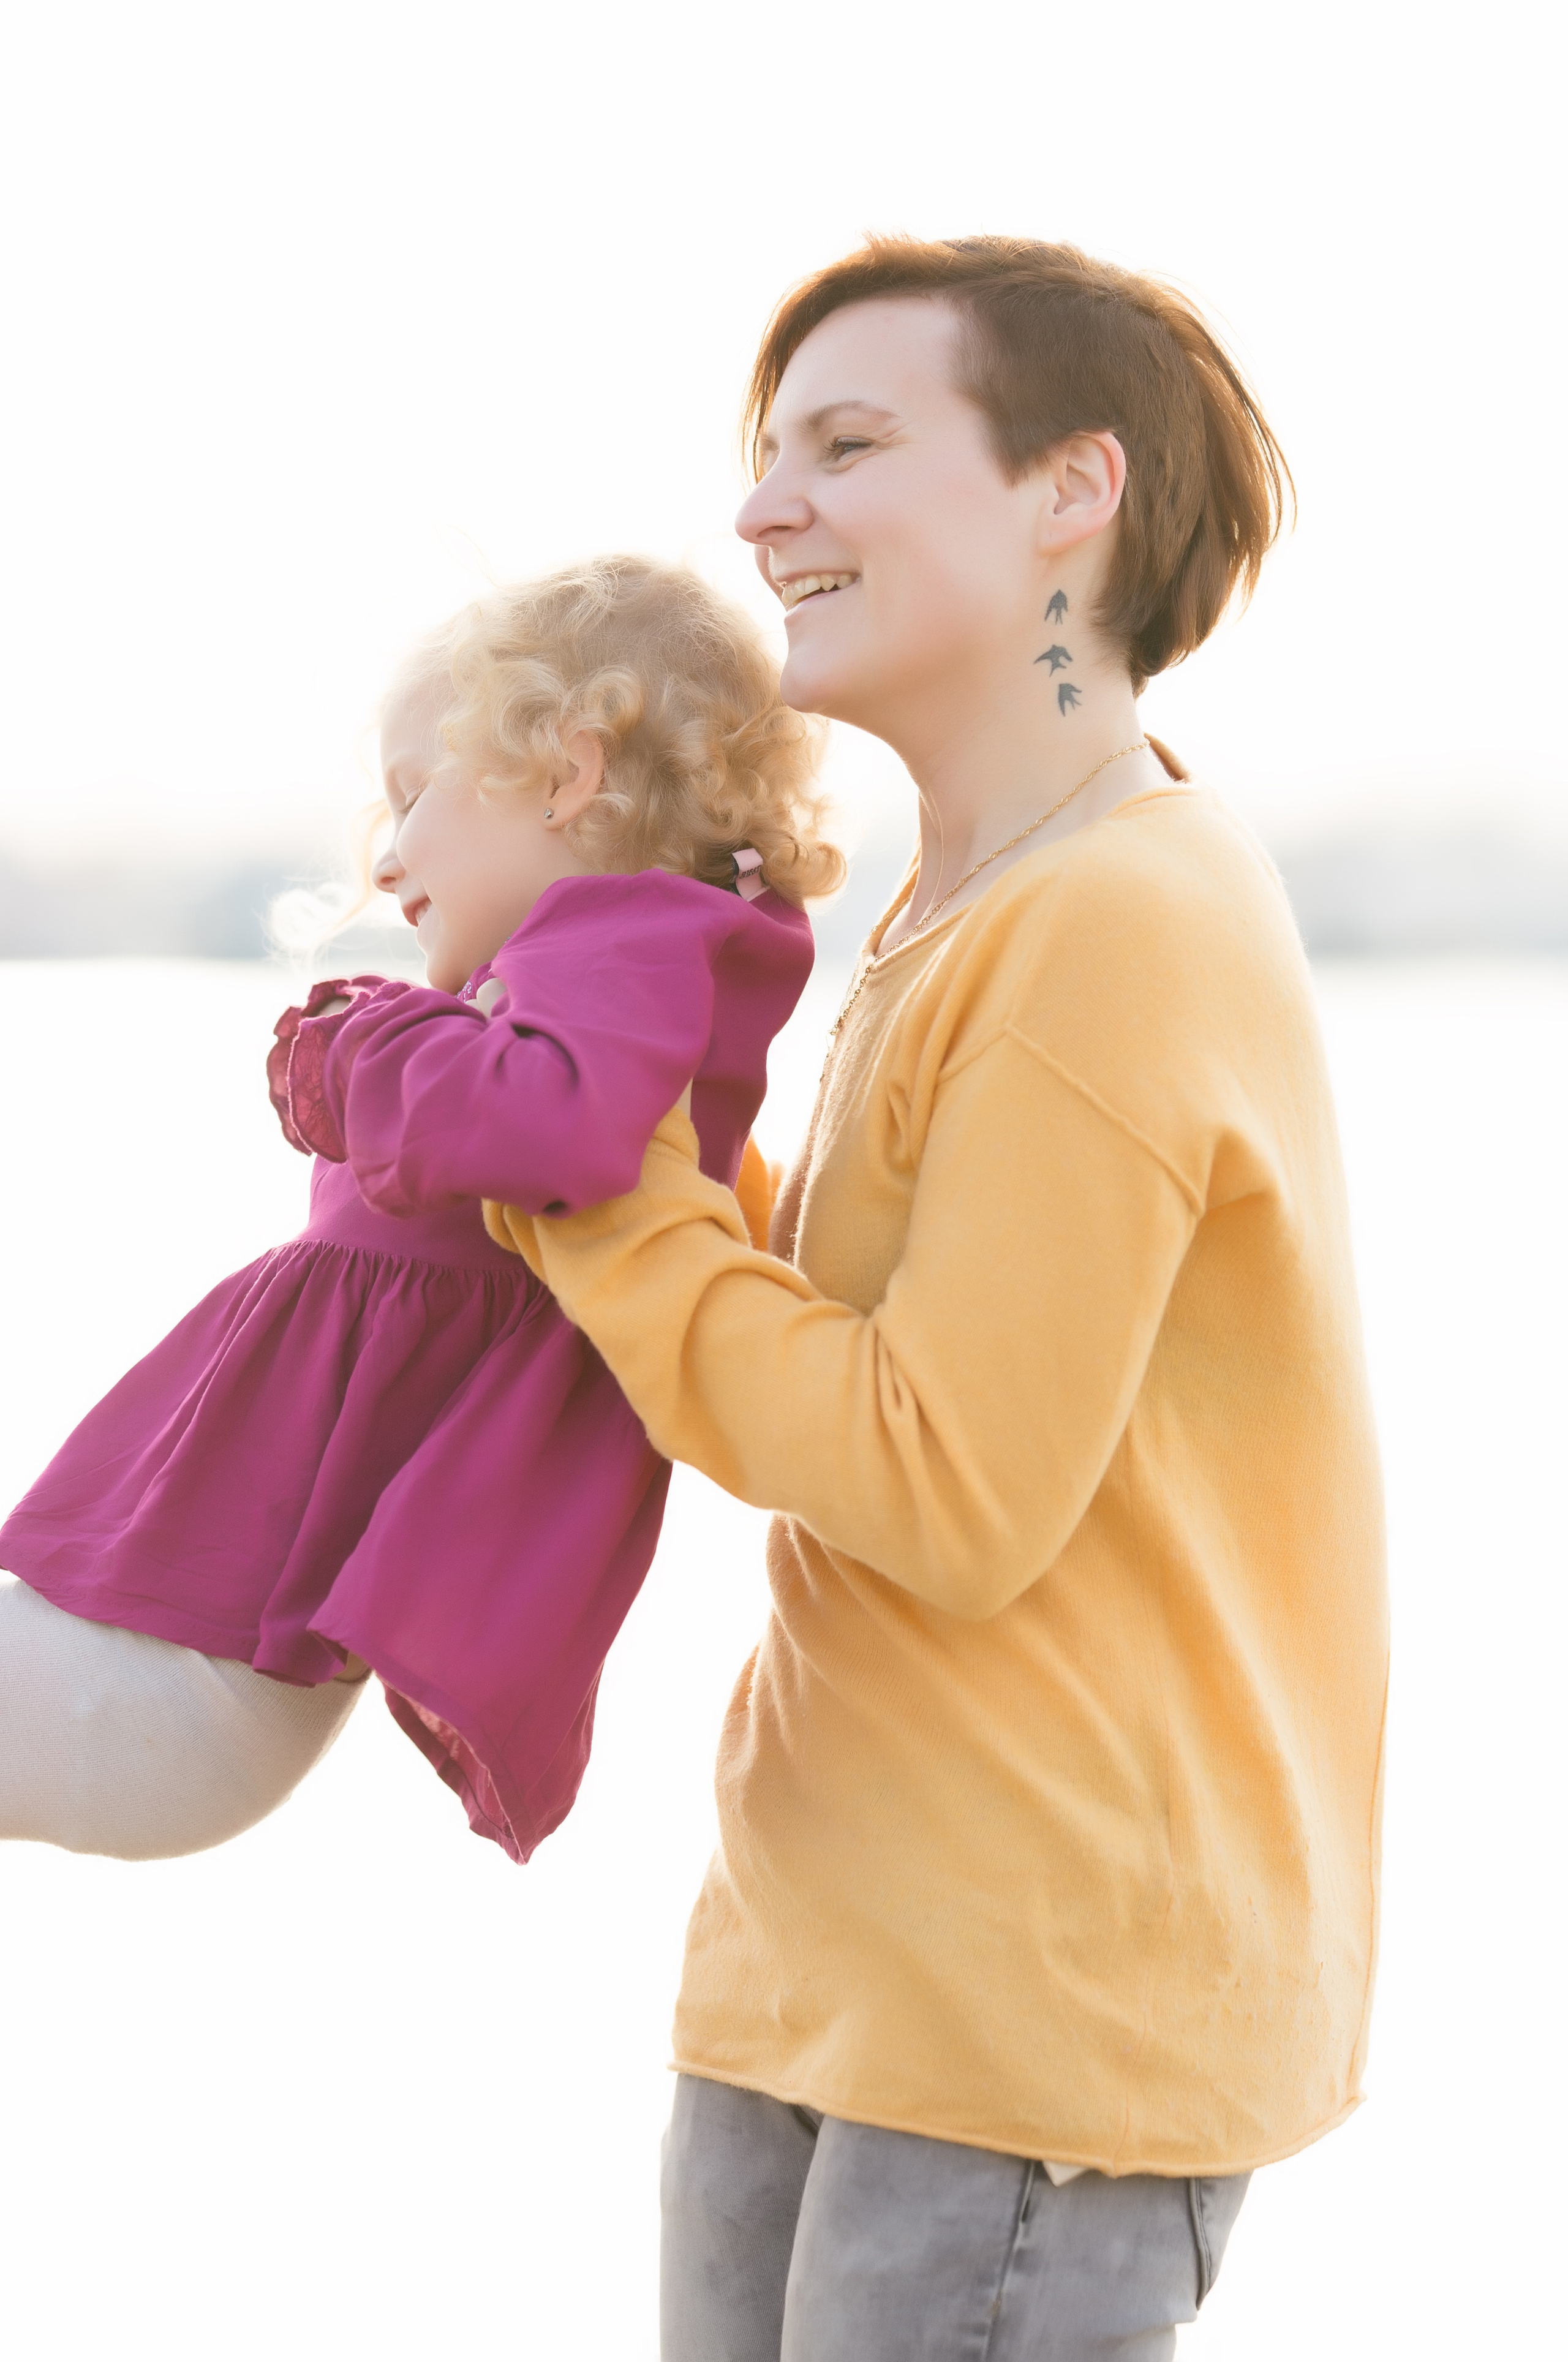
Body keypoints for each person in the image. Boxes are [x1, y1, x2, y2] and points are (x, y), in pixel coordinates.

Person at [494, 241, 1389, 2359]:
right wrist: (593, 1114)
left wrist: (584, 1185)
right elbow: (870, 1336)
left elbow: (945, 1482)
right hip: (830, 1963)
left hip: (1029, 2026)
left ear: (1071, 490)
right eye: (766, 454)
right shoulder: (975, 895)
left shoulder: (1119, 917)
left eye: (848, 443)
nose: (761, 511)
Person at [0, 555, 839, 1866]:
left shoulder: (623, 944)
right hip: (169, 1664)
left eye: (413, 795)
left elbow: (552, 1126)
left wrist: (361, 1049)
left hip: (187, 1682)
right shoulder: (605, 986)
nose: (385, 856)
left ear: (567, 774)